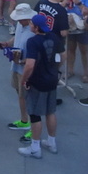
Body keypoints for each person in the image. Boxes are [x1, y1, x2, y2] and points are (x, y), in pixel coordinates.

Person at [17, 11, 63, 159]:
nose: (30, 25)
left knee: (35, 114)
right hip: (52, 79)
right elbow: (63, 56)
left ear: (36, 28)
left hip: (38, 82)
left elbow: (30, 65)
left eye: (32, 24)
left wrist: (24, 79)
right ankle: (52, 142)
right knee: (50, 111)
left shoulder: (33, 42)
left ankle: (35, 148)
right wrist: (55, 69)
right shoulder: (54, 37)